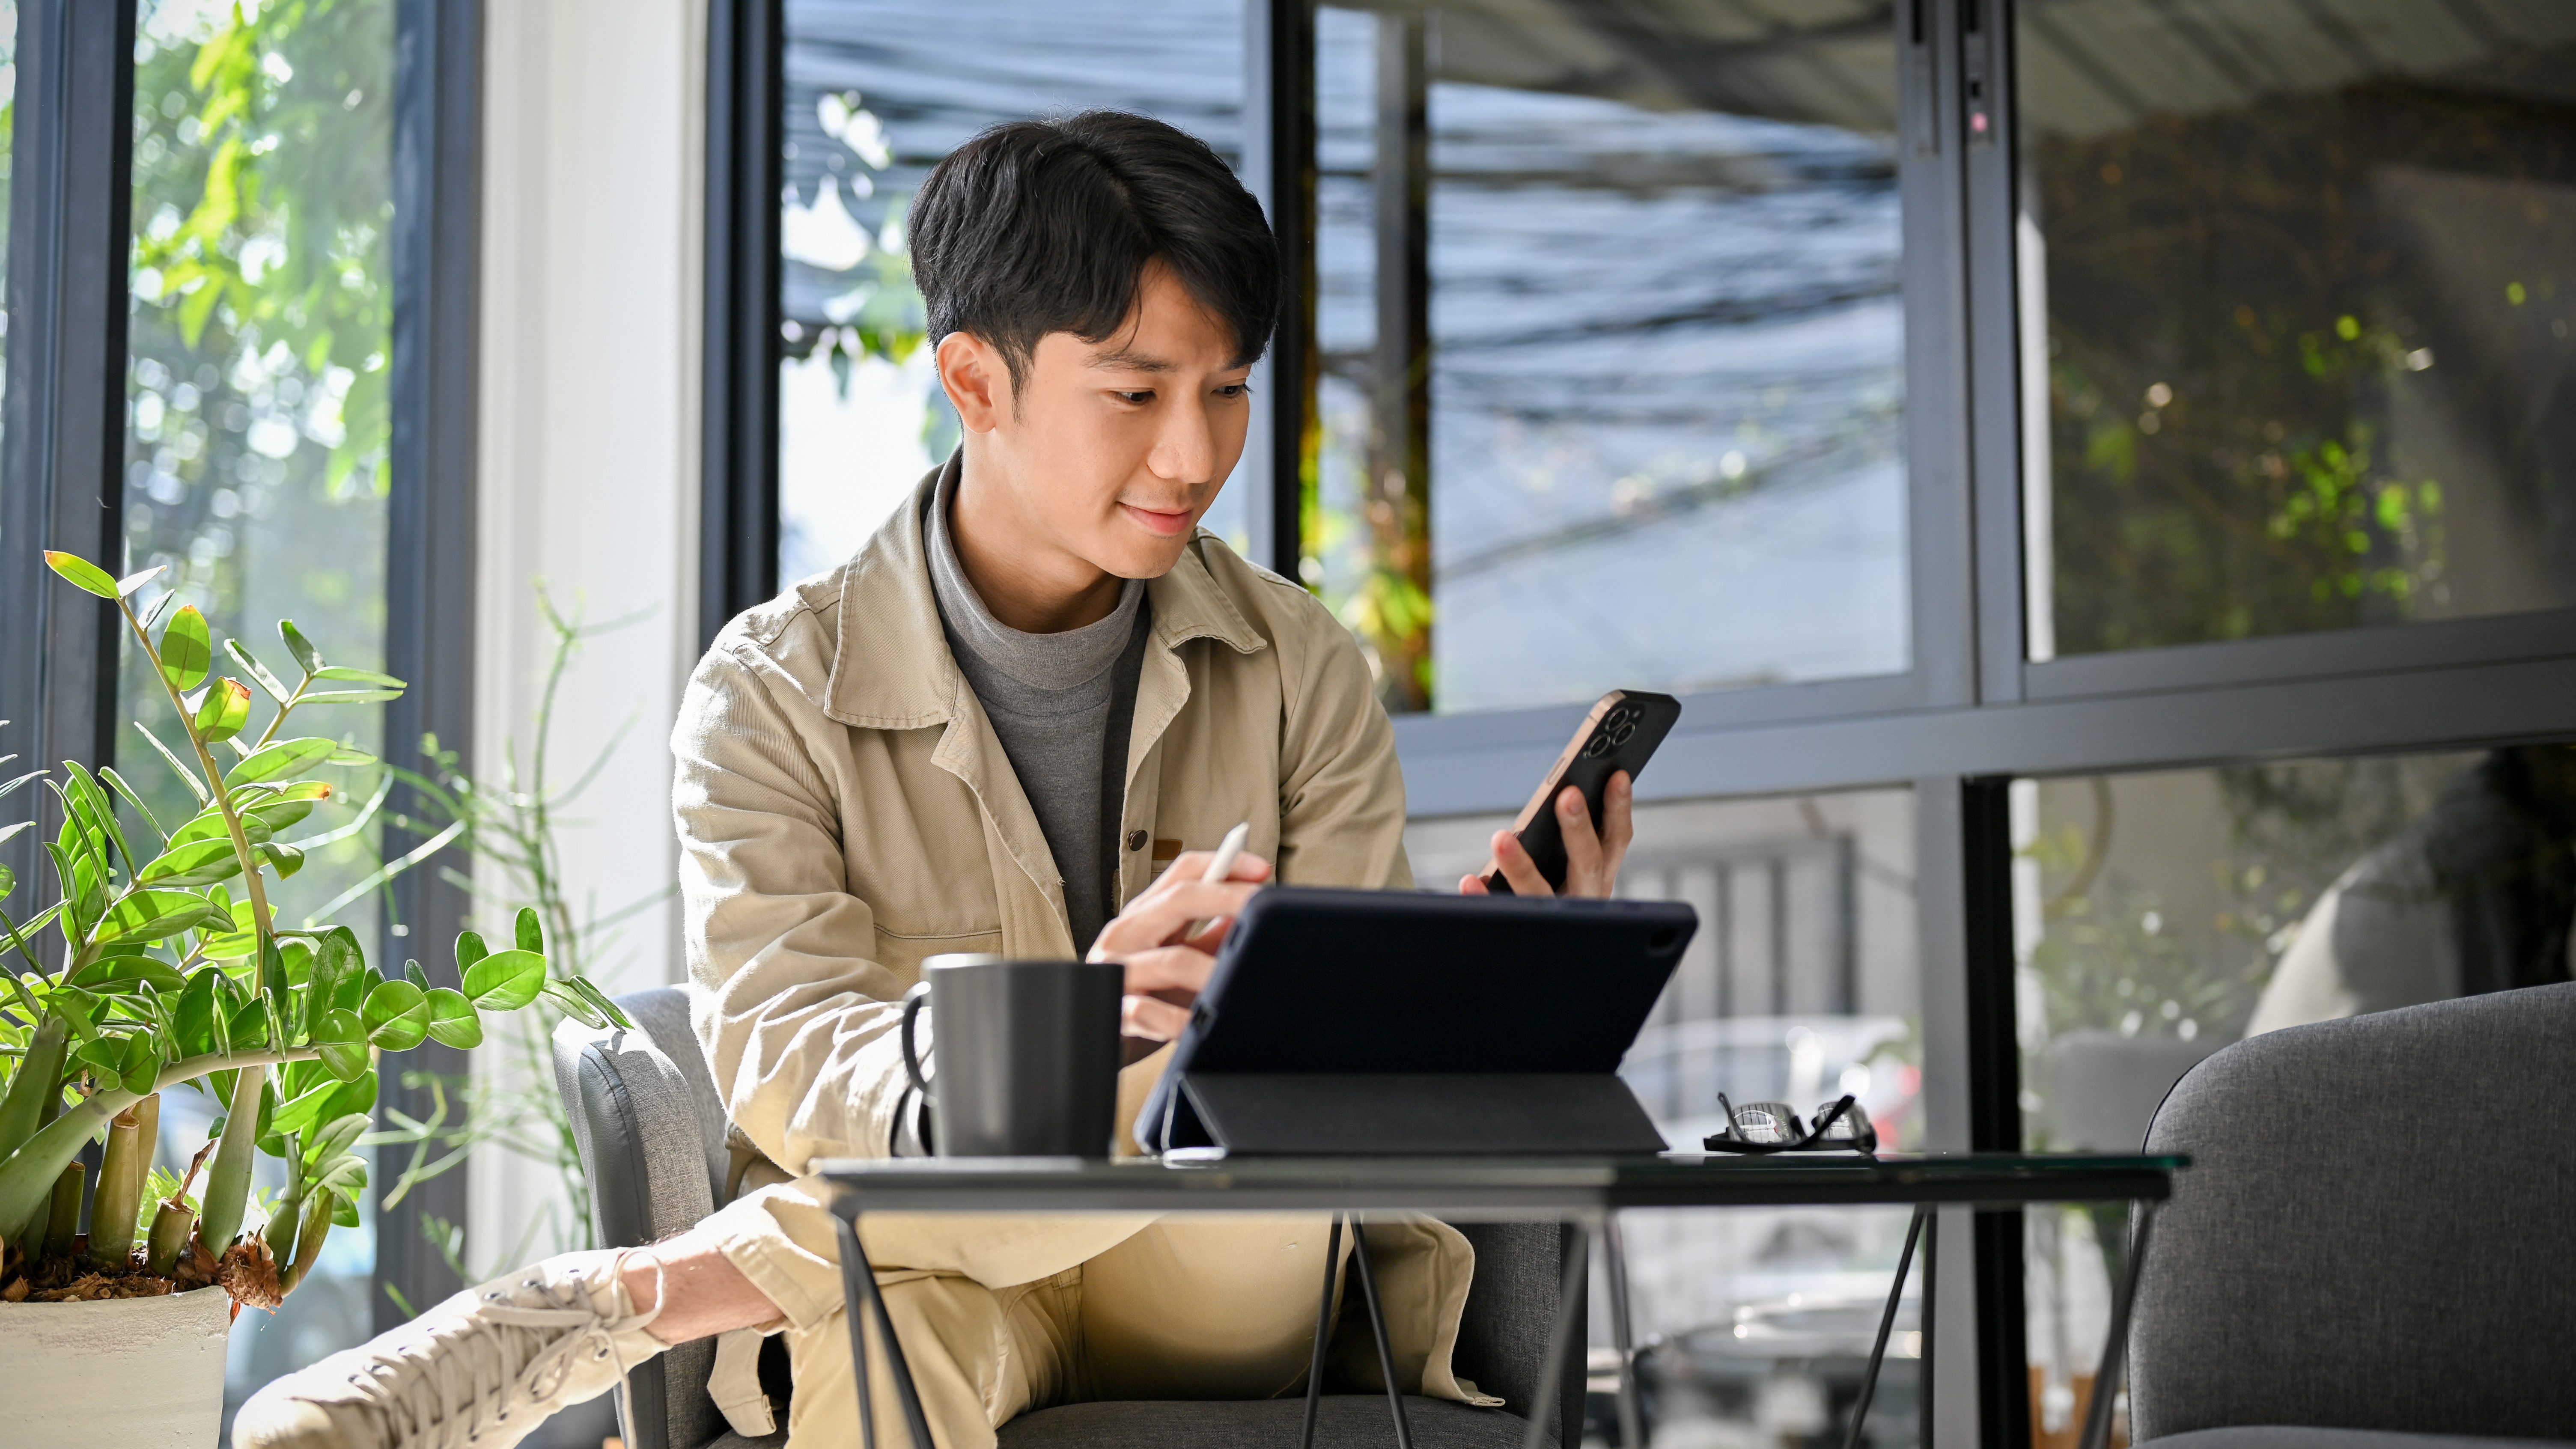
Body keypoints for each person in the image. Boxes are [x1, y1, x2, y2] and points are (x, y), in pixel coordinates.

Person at [234, 110, 1635, 1449]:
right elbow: (784, 1056)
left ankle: (633, 1298)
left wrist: (1509, 974)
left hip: (1229, 1282)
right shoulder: (771, 689)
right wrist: (1060, 1040)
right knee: (880, 1313)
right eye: (1137, 391)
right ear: (975, 377)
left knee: (1075, 1150)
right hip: (936, 1284)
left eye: (1227, 392)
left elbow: (1321, 1081)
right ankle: (691, 1280)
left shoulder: (1297, 662)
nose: (1196, 452)